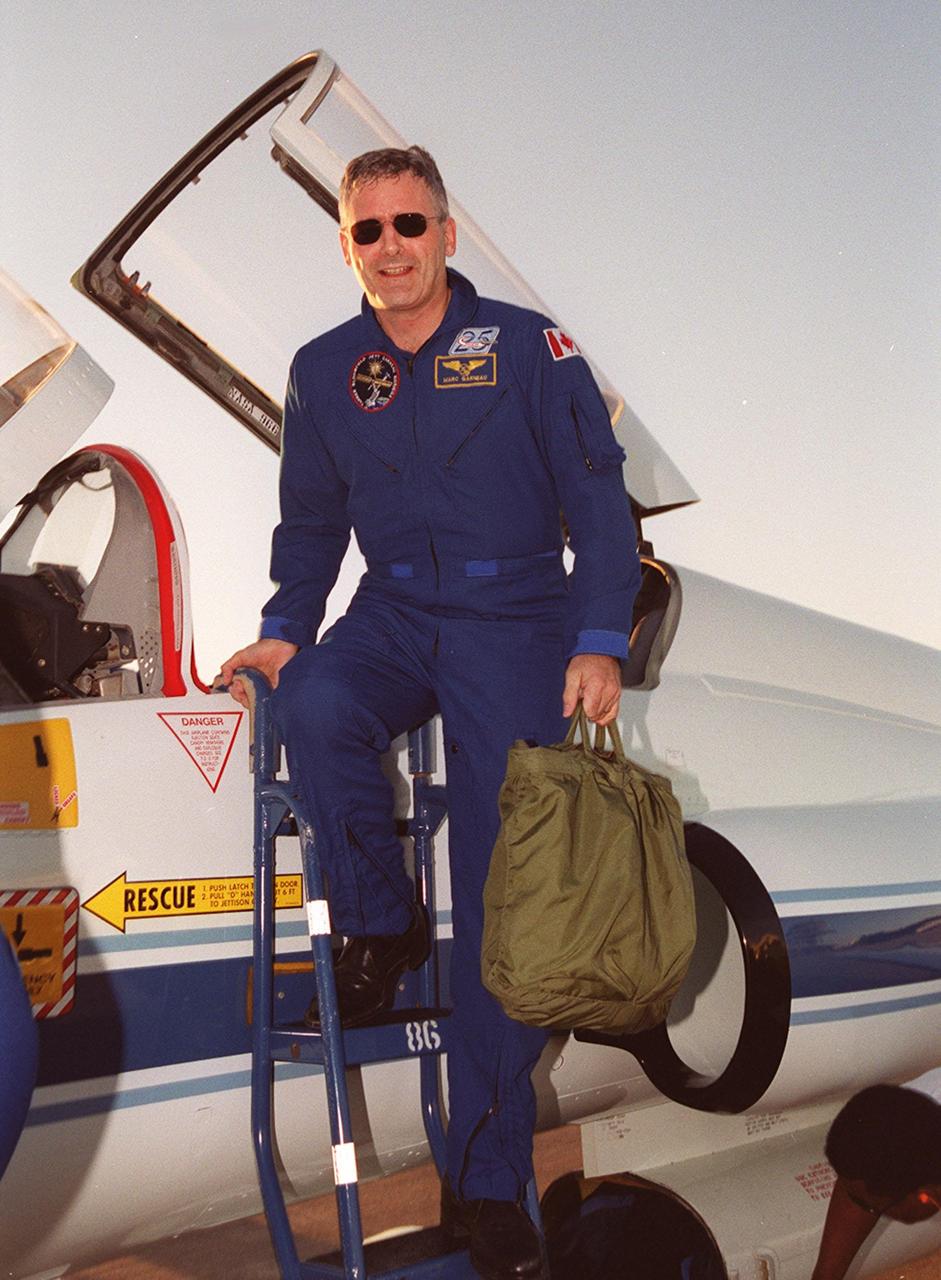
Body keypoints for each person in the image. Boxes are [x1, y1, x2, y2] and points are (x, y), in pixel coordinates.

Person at [221, 145, 640, 1280]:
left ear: (446, 234)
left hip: (517, 621)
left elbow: (598, 499)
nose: (392, 246)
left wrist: (598, 636)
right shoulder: (323, 369)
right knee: (310, 697)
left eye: (411, 224)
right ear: (347, 245)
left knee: (506, 916)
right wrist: (283, 620)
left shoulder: (525, 348)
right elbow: (308, 522)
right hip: (394, 610)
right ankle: (381, 916)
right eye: (368, 230)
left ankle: (489, 1180)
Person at [811, 1067, 941, 1280]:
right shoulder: (905, 1121)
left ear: (926, 1196)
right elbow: (854, 1191)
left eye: (874, 1208)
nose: (865, 1210)